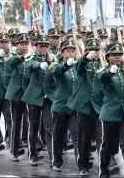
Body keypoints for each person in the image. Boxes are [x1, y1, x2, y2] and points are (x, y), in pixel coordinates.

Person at [97, 43, 124, 178]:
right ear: (107, 57)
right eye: (114, 55)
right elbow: (102, 79)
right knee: (108, 144)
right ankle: (103, 171)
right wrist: (110, 71)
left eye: (120, 54)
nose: (117, 57)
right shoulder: (103, 71)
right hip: (110, 113)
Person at [67, 38, 103, 176]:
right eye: (90, 50)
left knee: (102, 138)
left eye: (96, 50)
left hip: (99, 105)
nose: (94, 52)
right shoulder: (82, 62)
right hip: (85, 106)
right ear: (86, 51)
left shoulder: (103, 64)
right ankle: (83, 165)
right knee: (84, 138)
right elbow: (79, 67)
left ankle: (104, 165)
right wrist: (85, 58)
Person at [22, 35, 56, 166]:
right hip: (35, 96)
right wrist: (38, 65)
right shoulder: (32, 57)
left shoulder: (52, 58)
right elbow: (30, 66)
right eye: (41, 46)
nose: (44, 48)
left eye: (46, 46)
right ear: (36, 47)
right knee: (33, 126)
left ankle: (53, 156)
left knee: (49, 126)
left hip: (48, 97)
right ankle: (32, 153)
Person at [51, 39, 78, 172]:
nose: (71, 53)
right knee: (58, 135)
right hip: (61, 107)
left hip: (75, 108)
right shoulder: (58, 66)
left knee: (77, 135)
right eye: (68, 51)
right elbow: (57, 72)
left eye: (73, 51)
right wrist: (66, 65)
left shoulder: (78, 67)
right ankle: (57, 161)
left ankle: (81, 163)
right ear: (62, 53)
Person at [5, 33, 33, 162]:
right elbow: (11, 62)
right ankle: (14, 151)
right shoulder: (13, 56)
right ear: (17, 45)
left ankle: (34, 149)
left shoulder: (31, 57)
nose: (24, 46)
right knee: (16, 122)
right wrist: (22, 58)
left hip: (28, 93)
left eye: (26, 44)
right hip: (16, 94)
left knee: (32, 121)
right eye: (21, 44)